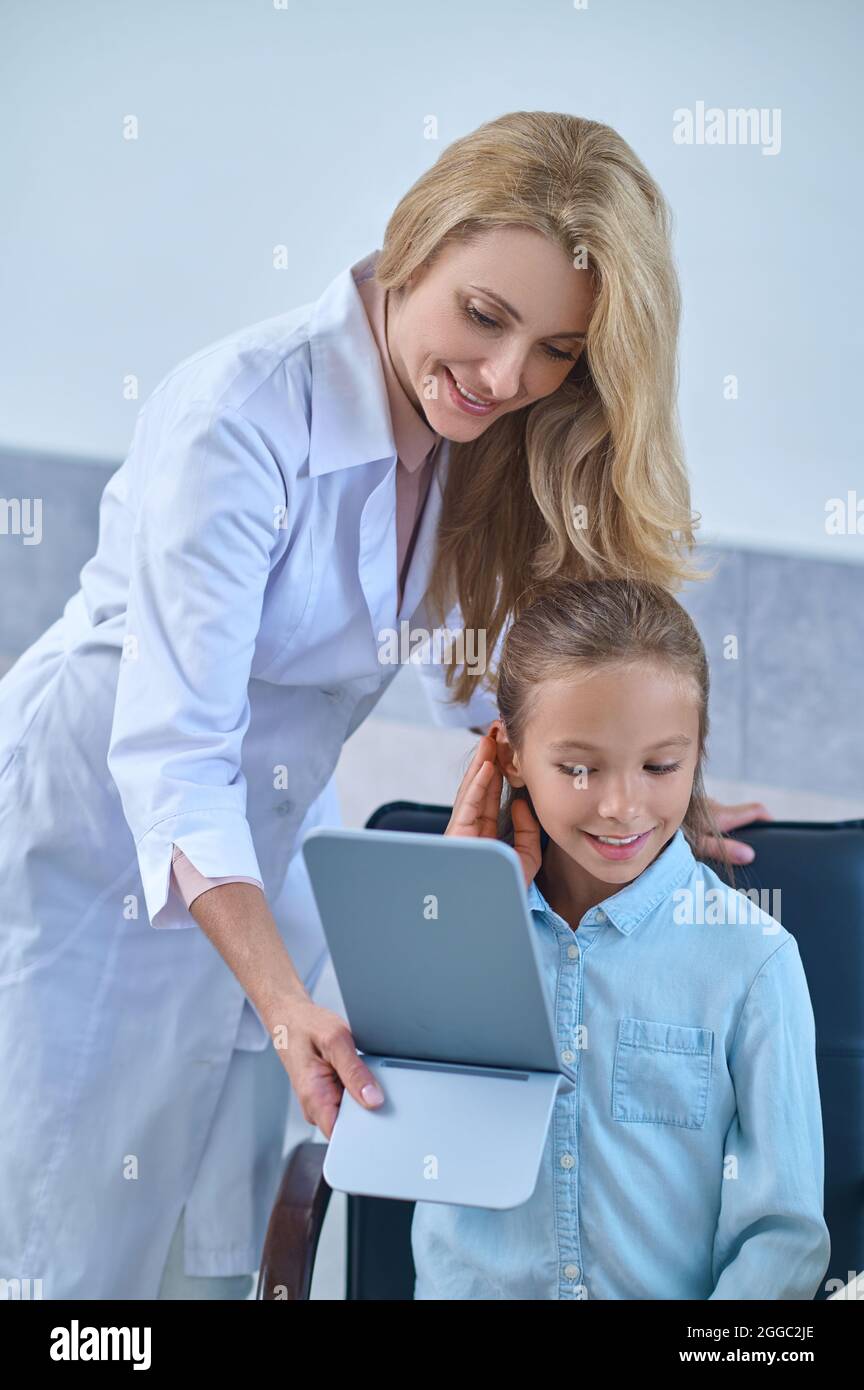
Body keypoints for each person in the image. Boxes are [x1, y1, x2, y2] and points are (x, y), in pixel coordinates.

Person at [0, 111, 770, 1300]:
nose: (508, 379)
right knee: (71, 1225)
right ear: (415, 244)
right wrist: (281, 995)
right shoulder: (241, 415)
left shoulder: (491, 438)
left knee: (224, 1202)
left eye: (558, 350)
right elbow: (176, 757)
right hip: (104, 817)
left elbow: (514, 673)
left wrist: (648, 785)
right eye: (483, 316)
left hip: (273, 818)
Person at [412, 577, 830, 1301]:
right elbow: (398, 1139)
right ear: (508, 755)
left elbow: (783, 1242)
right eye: (579, 768)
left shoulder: (754, 963)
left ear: (698, 753)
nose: (622, 806)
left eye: (661, 766)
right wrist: (460, 918)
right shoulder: (445, 931)